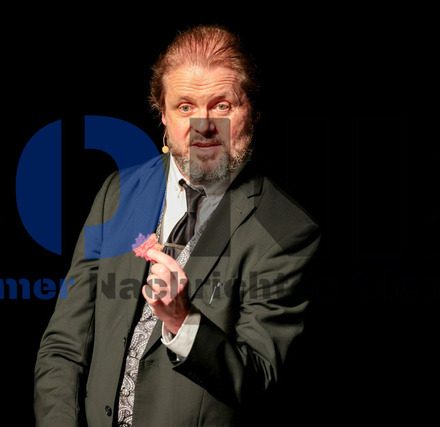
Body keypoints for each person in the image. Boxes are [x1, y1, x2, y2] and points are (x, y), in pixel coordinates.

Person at [34, 24, 320, 426]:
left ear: (252, 112)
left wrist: (183, 321)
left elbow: (260, 383)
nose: (204, 126)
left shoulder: (286, 231)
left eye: (222, 105)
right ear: (163, 115)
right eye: (185, 106)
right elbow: (64, 346)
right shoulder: (117, 193)